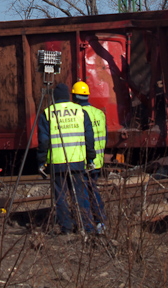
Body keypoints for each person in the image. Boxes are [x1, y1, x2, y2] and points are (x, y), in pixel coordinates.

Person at [37, 82, 95, 235]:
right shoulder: (80, 111)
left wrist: (41, 161)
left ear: (54, 98)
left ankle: (66, 228)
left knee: (60, 197)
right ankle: (87, 226)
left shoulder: (48, 113)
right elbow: (89, 137)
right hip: (77, 161)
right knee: (80, 195)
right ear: (69, 96)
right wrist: (90, 158)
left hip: (57, 163)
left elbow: (43, 141)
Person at [71, 80, 107, 232]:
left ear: (75, 97)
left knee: (84, 192)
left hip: (85, 160)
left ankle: (87, 224)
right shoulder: (99, 113)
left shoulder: (79, 115)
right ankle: (101, 220)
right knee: (93, 188)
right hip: (98, 161)